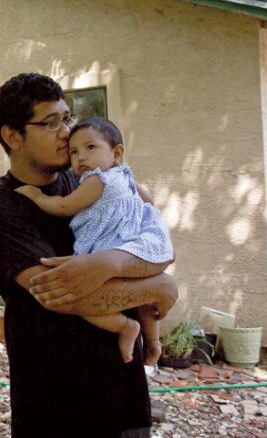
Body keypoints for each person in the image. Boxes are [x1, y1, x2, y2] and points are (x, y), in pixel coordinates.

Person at [0, 72, 178, 437]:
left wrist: (122, 266)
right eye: (51, 123)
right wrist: (156, 286)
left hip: (125, 400)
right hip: (55, 409)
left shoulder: (92, 182)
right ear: (12, 136)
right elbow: (62, 293)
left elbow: (151, 235)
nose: (67, 132)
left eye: (66, 118)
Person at [15, 116, 174, 365]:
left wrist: (36, 196)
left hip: (109, 244)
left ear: (117, 153)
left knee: (84, 299)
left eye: (91, 148)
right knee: (145, 297)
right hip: (135, 242)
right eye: (74, 151)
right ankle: (153, 342)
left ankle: (124, 326)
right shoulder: (125, 175)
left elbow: (65, 205)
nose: (81, 158)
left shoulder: (97, 179)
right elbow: (149, 200)